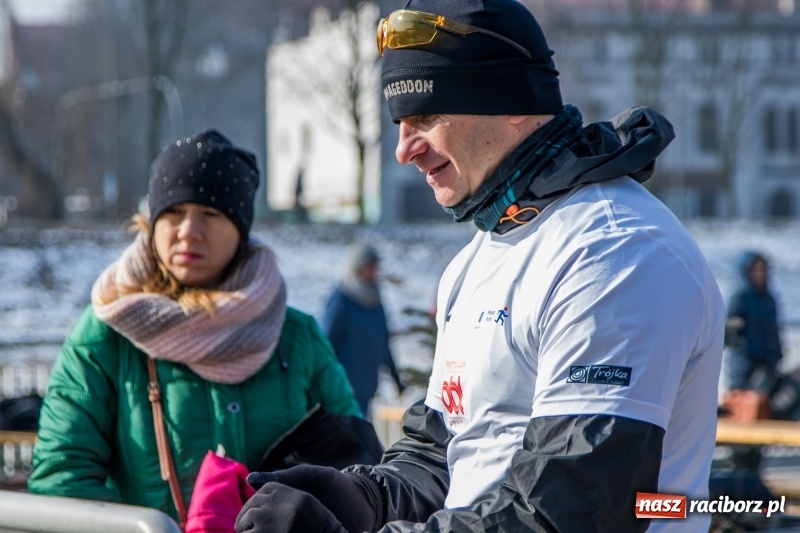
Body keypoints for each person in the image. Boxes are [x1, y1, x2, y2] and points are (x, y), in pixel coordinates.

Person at [235, 1, 725, 532]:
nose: (404, 149)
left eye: (426, 117)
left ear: (512, 99)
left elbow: (572, 508)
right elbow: (445, 453)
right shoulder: (479, 257)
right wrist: (363, 497)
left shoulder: (614, 254)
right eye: (399, 122)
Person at [27, 129, 361, 525]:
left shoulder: (297, 336)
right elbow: (62, 478)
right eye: (173, 212)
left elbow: (353, 465)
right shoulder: (104, 335)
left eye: (210, 214)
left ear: (240, 230)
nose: (188, 230)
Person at [322, 243, 405, 415]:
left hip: (367, 388)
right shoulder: (342, 300)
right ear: (357, 268)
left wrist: (396, 379)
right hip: (343, 391)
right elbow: (325, 345)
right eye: (370, 267)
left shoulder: (375, 300)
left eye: (376, 267)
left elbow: (383, 342)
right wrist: (326, 383)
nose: (374, 271)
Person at [724, 250, 783, 392]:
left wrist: (777, 356)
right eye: (756, 270)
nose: (760, 274)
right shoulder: (740, 298)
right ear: (747, 272)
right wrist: (743, 347)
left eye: (763, 269)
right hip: (745, 366)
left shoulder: (769, 298)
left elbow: (774, 329)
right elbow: (730, 330)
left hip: (768, 365)